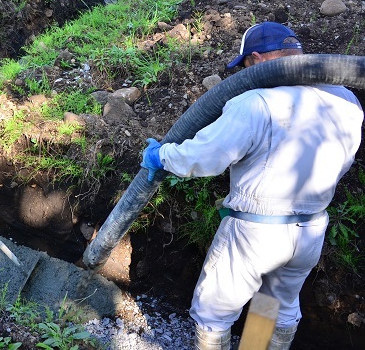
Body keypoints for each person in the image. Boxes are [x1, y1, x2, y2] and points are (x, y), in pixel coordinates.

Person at [140, 22, 363, 350]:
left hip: (255, 231)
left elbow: (208, 155)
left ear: (256, 60)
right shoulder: (344, 99)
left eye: (244, 67)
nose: (243, 75)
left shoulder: (255, 102)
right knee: (274, 305)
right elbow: (343, 161)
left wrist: (164, 156)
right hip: (310, 228)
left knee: (213, 313)